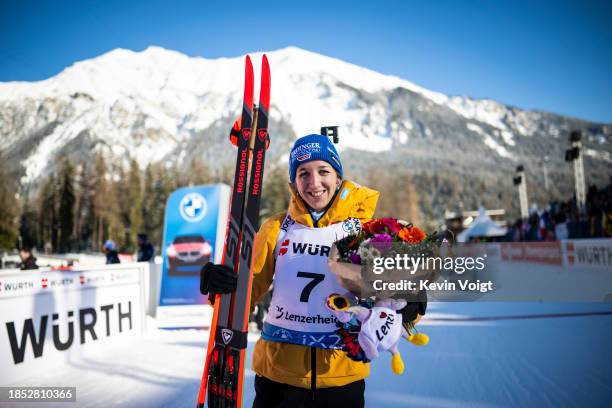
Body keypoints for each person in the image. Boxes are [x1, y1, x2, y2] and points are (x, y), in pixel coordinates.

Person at [200, 134, 426, 407]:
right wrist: (219, 285)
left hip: (342, 379)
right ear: (294, 182)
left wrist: (412, 297)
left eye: (323, 171)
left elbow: (395, 298)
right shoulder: (276, 229)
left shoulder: (365, 230)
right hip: (278, 379)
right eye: (303, 173)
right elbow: (244, 297)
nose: (314, 182)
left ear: (338, 176)